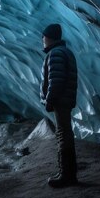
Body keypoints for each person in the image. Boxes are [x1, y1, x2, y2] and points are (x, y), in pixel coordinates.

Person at [40, 23, 79, 188]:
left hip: (60, 100)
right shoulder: (65, 52)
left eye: (43, 37)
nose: (42, 40)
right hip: (64, 99)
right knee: (65, 133)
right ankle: (66, 172)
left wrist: (49, 100)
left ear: (48, 37)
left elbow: (56, 80)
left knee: (63, 134)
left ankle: (66, 175)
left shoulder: (56, 53)